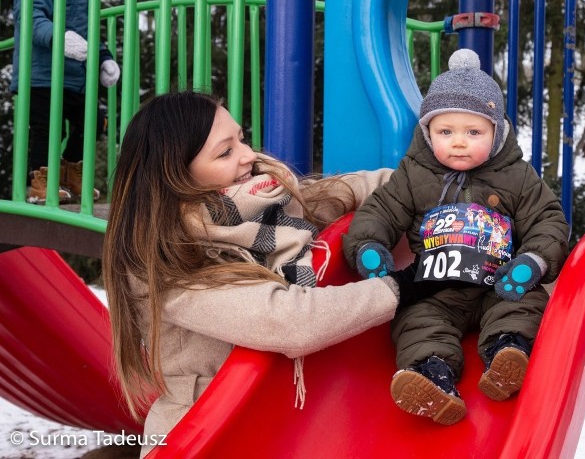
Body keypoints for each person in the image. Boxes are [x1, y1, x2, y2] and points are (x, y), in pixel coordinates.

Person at [102, 91, 425, 457]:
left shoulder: (265, 204)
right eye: (225, 152)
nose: (247, 155)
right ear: (177, 177)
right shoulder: (165, 262)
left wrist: (435, 183)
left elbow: (351, 189)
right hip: (206, 434)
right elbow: (291, 321)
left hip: (277, 426)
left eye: (241, 138)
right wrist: (405, 285)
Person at [343, 49, 570, 425]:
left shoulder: (517, 176)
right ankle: (432, 375)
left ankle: (508, 351)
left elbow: (547, 221)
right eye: (445, 131)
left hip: (500, 284)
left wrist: (533, 261)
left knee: (524, 307)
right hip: (434, 287)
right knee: (414, 320)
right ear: (428, 133)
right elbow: (381, 209)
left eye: (473, 132)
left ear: (496, 133)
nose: (459, 142)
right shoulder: (414, 173)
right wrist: (370, 245)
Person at [10, 0, 120, 204]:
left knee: (93, 122)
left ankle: (72, 173)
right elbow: (32, 21)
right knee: (49, 129)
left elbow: (89, 33)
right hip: (43, 74)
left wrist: (103, 58)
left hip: (77, 76)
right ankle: (40, 181)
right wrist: (60, 38)